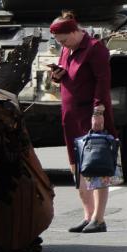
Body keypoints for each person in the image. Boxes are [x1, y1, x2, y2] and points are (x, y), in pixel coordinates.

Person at [48, 12, 114, 233]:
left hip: (90, 113)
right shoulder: (68, 49)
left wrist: (99, 111)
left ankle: (99, 217)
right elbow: (67, 75)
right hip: (71, 113)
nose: (62, 45)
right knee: (76, 165)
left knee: (95, 164)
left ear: (76, 31)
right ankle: (87, 215)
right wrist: (57, 76)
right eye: (59, 42)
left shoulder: (95, 48)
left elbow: (102, 82)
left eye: (64, 40)